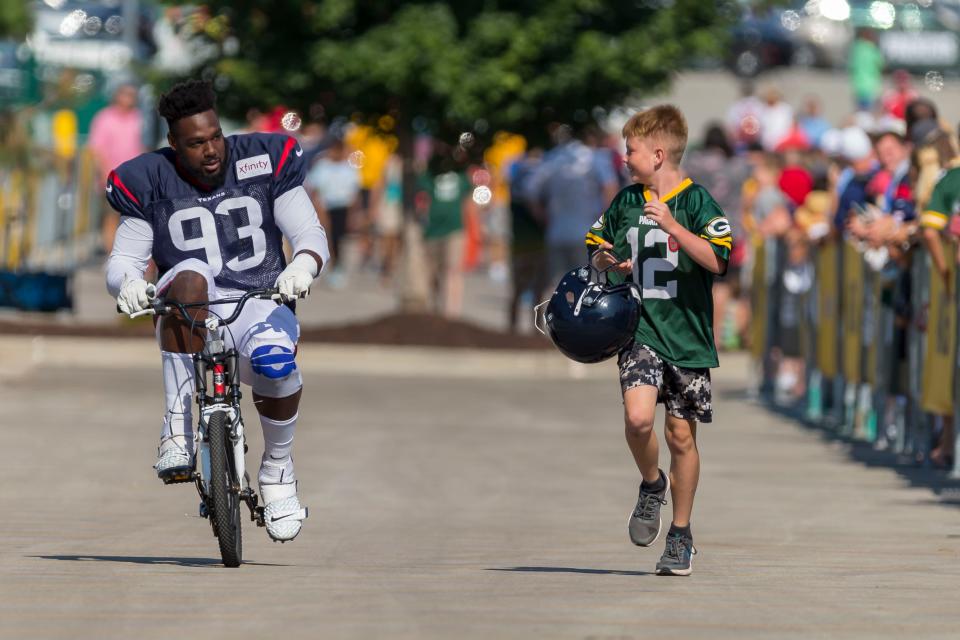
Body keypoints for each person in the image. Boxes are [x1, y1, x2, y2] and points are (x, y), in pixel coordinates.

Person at [104, 80, 329, 543]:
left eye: (214, 137)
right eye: (195, 143)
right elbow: (123, 262)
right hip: (190, 311)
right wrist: (127, 285)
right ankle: (178, 425)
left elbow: (311, 235)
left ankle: (277, 469)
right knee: (188, 275)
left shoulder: (263, 159)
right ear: (173, 144)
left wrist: (302, 268)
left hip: (257, 297)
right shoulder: (150, 178)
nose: (210, 151)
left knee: (276, 364)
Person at [585, 105, 732, 576]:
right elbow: (596, 247)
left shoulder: (698, 203)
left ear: (659, 153)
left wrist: (673, 227)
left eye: (631, 150)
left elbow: (718, 260)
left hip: (687, 337)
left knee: (681, 436)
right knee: (637, 419)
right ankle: (652, 484)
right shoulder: (626, 201)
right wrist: (612, 261)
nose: (625, 158)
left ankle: (682, 534)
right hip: (641, 329)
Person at [89, 83, 145, 254]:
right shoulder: (104, 118)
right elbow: (97, 150)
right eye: (125, 94)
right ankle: (111, 255)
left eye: (131, 95)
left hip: (136, 179)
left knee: (134, 219)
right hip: (112, 178)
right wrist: (106, 174)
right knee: (112, 217)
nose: (129, 98)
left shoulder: (139, 118)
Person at [306, 137, 361, 288]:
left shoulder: (349, 167)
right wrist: (319, 209)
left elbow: (354, 193)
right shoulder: (322, 165)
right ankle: (321, 267)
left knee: (338, 238)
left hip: (342, 207)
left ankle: (337, 268)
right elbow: (315, 189)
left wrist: (353, 214)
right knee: (323, 237)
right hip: (325, 207)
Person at [849, 28, 884, 112]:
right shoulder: (872, 49)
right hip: (870, 85)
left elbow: (851, 66)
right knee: (868, 112)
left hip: (858, 84)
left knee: (859, 111)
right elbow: (880, 63)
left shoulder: (856, 48)